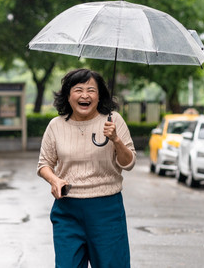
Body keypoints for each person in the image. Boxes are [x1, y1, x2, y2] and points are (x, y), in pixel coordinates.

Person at [37, 68, 136, 268]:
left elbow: (129, 163)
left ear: (100, 96)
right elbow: (44, 164)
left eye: (91, 90)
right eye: (78, 89)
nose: (85, 95)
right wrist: (55, 180)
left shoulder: (113, 120)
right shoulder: (56, 125)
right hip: (68, 210)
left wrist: (116, 139)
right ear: (67, 95)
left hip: (107, 210)